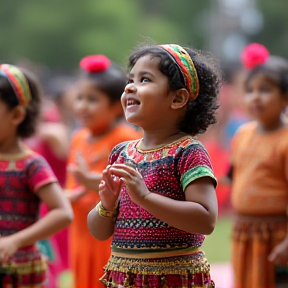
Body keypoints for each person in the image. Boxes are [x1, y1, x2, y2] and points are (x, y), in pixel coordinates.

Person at [87, 44, 221, 288]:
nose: (129, 87)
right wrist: (106, 206)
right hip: (124, 278)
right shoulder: (121, 153)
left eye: (144, 79)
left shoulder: (188, 152)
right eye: (130, 80)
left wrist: (145, 198)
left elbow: (206, 219)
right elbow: (99, 232)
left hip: (173, 279)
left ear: (178, 98)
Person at [65, 54, 142, 288]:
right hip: (80, 229)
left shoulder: (126, 139)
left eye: (92, 99)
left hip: (109, 232)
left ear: (115, 106)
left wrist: (92, 183)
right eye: (79, 98)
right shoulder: (78, 138)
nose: (82, 106)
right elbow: (72, 183)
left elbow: (132, 185)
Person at [0, 64, 73, 287]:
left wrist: (16, 241)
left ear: (17, 115)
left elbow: (63, 213)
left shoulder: (30, 164)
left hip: (19, 271)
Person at [222, 43, 288, 288]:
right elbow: (231, 176)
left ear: (285, 97)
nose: (255, 97)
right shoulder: (242, 134)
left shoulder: (285, 140)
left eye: (265, 90)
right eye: (250, 90)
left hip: (277, 236)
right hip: (245, 232)